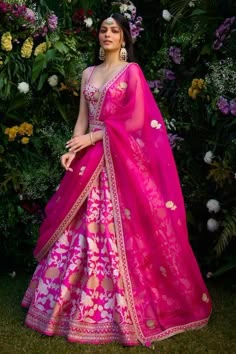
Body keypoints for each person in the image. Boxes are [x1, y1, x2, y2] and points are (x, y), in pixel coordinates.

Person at [22, 13, 212, 347]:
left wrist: (94, 139)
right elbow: (82, 120)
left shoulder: (131, 73)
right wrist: (72, 148)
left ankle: (117, 308)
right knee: (74, 228)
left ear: (124, 38)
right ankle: (64, 304)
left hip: (115, 163)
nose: (108, 34)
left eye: (115, 30)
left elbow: (137, 120)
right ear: (98, 37)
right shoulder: (88, 74)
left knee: (112, 229)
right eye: (103, 30)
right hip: (88, 162)